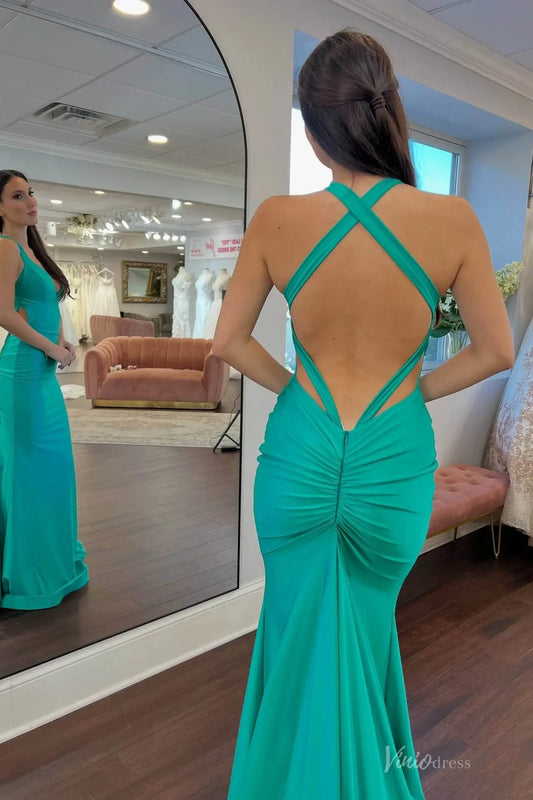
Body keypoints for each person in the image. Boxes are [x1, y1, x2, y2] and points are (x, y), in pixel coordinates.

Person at [213, 30, 515, 800]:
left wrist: (294, 388)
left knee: (294, 634)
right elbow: (495, 350)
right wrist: (414, 393)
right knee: (365, 634)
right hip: (391, 457)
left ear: (315, 129)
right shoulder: (450, 220)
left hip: (300, 451)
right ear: (389, 114)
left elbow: (229, 342)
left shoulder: (277, 219)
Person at [0, 169, 89, 610]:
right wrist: (51, 347)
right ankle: (27, 572)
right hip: (21, 374)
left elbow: (40, 309)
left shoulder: (32, 250)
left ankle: (50, 559)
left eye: (31, 193)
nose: (30, 201)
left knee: (53, 467)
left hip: (43, 374)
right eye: (18, 196)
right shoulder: (4, 247)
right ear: (0, 207)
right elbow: (4, 313)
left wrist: (62, 342)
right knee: (28, 471)